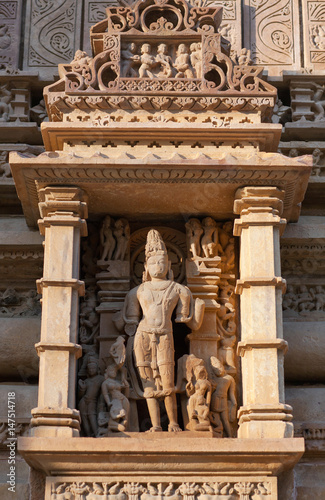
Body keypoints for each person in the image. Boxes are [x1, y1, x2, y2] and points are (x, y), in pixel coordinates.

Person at [121, 230, 205, 432]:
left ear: (169, 265)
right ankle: (156, 425)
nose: (157, 266)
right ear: (146, 267)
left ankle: (174, 423)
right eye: (153, 263)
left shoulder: (180, 290)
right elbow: (129, 324)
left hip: (165, 336)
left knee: (167, 379)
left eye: (161, 262)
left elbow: (190, 323)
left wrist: (200, 310)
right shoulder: (137, 292)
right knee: (148, 382)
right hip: (143, 337)